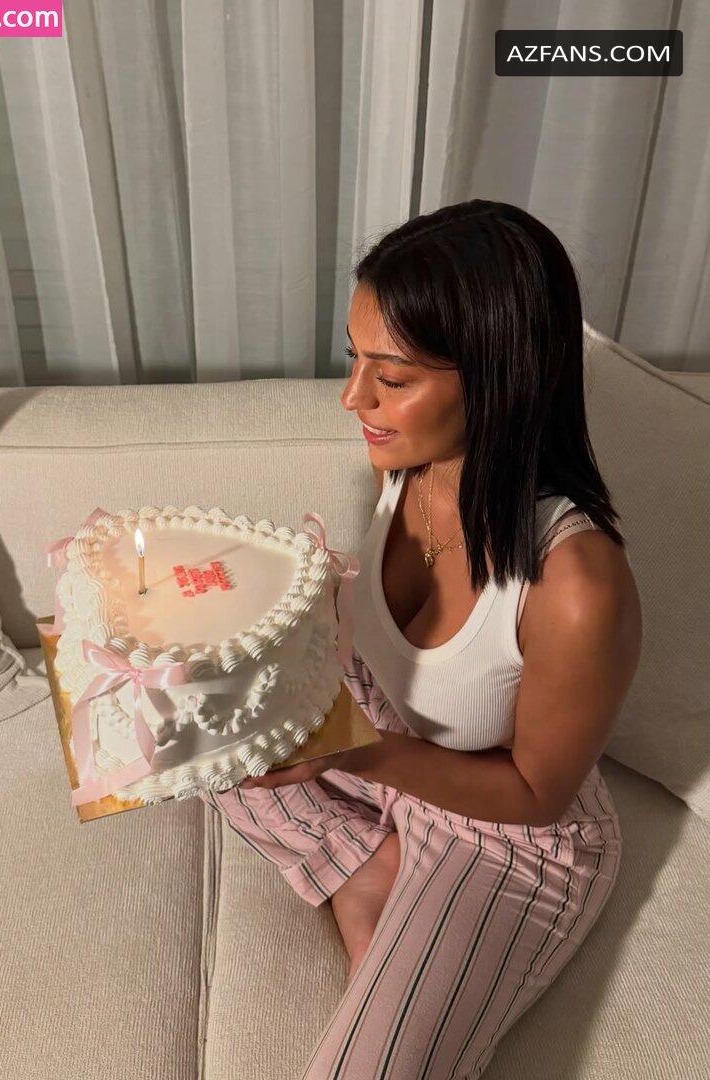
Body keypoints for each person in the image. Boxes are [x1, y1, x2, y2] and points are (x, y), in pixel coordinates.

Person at [198, 199, 642, 1079]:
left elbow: (535, 794)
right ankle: (370, 868)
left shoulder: (578, 587)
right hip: (383, 742)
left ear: (498, 379)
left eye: (392, 377)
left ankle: (367, 879)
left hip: (507, 833)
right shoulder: (405, 465)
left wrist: (353, 754)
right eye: (355, 358)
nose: (353, 397)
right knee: (185, 715)